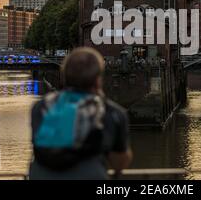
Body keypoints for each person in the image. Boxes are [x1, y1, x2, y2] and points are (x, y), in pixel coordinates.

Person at [29, 47, 133, 180]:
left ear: (64, 76)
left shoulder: (42, 107)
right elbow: (119, 163)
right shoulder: (111, 113)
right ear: (97, 80)